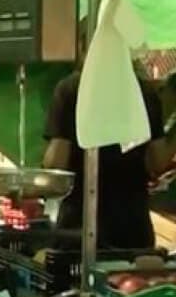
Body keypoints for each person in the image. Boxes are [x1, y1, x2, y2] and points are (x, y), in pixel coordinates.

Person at [43, 69, 174, 249]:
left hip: (79, 227)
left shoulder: (72, 88)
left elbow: (55, 163)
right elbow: (157, 162)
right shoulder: (143, 91)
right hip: (132, 227)